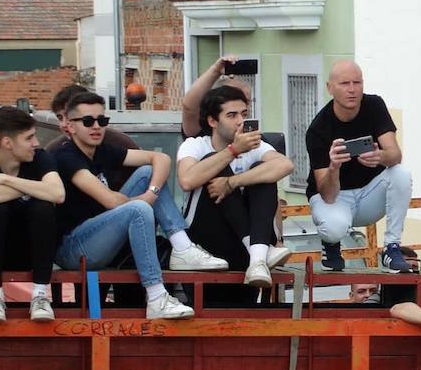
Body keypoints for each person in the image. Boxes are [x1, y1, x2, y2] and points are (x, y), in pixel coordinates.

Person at [53, 91, 224, 320]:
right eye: (87, 121)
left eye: (102, 121)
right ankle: (156, 296)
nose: (96, 127)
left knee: (148, 173)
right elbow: (110, 201)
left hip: (101, 236)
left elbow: (161, 159)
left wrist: (151, 194)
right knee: (138, 209)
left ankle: (182, 246)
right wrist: (144, 204)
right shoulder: (65, 156)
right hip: (72, 247)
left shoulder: (102, 149)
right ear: (71, 127)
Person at [176, 84, 294, 289]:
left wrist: (232, 183)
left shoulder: (255, 145)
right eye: (231, 115)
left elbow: (285, 165)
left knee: (261, 170)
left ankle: (257, 259)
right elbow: (186, 180)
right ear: (212, 121)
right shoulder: (195, 145)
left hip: (247, 246)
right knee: (214, 162)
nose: (240, 121)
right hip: (209, 241)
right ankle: (259, 254)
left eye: (244, 114)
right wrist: (232, 151)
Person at [305, 60, 413, 274]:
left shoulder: (374, 105)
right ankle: (331, 244)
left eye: (357, 82)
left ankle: (392, 247)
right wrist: (334, 166)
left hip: (369, 195)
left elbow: (396, 155)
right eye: (345, 83)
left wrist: (379, 156)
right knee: (334, 228)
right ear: (330, 88)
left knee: (400, 174)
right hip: (336, 198)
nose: (352, 89)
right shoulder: (318, 129)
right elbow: (326, 194)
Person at [0, 107, 64, 322]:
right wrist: (36, 186)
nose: (36, 143)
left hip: (32, 252)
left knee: (43, 207)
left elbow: (58, 194)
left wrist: (5, 180)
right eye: (29, 138)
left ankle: (40, 296)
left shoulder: (39, 158)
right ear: (7, 143)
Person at [48, 83, 138, 186]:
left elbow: (148, 168)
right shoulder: (54, 150)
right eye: (60, 118)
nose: (65, 124)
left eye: (68, 116)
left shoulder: (119, 142)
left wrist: (149, 193)